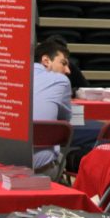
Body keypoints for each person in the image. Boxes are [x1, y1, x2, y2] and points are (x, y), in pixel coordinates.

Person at [32, 38, 73, 171]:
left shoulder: (9, 75)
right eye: (63, 63)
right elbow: (64, 120)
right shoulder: (61, 80)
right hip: (39, 167)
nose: (67, 70)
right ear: (46, 61)